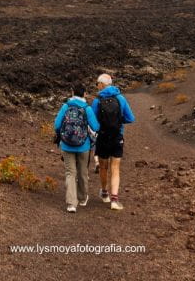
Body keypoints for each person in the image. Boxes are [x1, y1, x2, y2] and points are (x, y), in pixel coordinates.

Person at [91, 73, 135, 211]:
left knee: (103, 167)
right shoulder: (120, 98)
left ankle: (105, 193)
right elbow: (130, 118)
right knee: (115, 168)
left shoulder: (97, 101)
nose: (97, 86)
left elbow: (93, 121)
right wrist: (118, 122)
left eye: (97, 83)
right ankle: (115, 200)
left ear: (102, 85)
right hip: (117, 136)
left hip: (103, 137)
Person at [53, 83, 100, 213]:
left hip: (67, 146)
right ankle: (82, 198)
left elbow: (56, 125)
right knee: (83, 172)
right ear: (84, 94)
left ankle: (71, 204)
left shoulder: (65, 106)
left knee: (70, 173)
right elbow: (95, 127)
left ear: (72, 92)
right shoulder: (87, 108)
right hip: (83, 146)